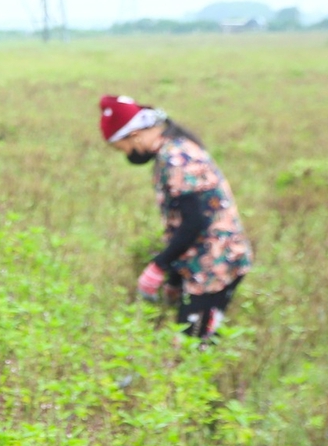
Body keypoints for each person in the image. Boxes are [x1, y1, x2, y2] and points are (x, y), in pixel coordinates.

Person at [99, 94, 252, 339]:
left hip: (215, 264)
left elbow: (195, 222)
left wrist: (158, 266)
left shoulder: (177, 158)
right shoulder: (172, 150)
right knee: (195, 336)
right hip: (203, 262)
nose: (127, 154)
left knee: (194, 345)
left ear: (135, 135)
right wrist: (174, 276)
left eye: (123, 147)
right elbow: (181, 222)